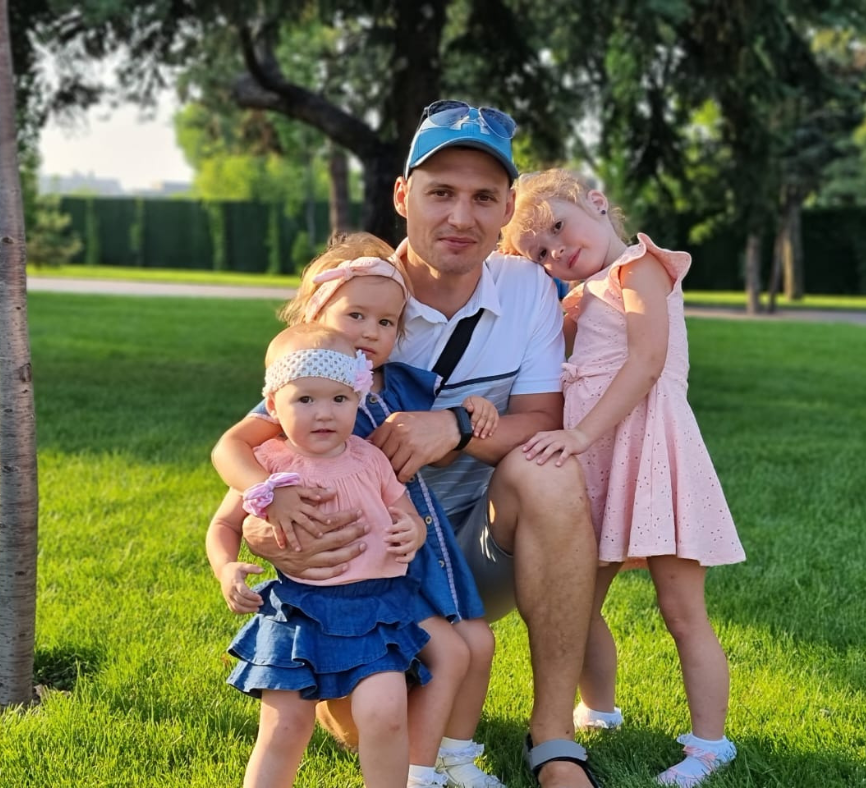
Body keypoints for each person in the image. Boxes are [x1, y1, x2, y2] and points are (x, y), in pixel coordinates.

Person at [213, 101, 600, 788]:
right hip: (363, 557)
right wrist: (266, 523)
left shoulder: (530, 290)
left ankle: (554, 741)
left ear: (508, 208)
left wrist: (451, 426)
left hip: (470, 548)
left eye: (484, 198)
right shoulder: (353, 303)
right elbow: (276, 435)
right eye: (440, 192)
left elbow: (543, 419)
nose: (461, 217)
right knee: (366, 724)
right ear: (403, 195)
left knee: (552, 472)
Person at [213, 233, 505, 787]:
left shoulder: (397, 389)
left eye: (387, 323)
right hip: (326, 586)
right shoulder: (291, 404)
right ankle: (418, 761)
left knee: (466, 647)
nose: (371, 332)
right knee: (297, 721)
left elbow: (444, 419)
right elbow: (230, 452)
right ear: (317, 313)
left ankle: (441, 759)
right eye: (356, 315)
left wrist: (473, 411)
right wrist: (266, 495)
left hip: (403, 564)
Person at [499, 168, 746, 787]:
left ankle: (711, 745)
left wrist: (580, 434)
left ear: (599, 204)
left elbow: (646, 361)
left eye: (558, 227)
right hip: (599, 464)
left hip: (652, 454)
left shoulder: (640, 268)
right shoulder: (578, 299)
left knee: (681, 608)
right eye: (540, 253)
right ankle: (598, 711)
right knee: (573, 603)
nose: (556, 251)